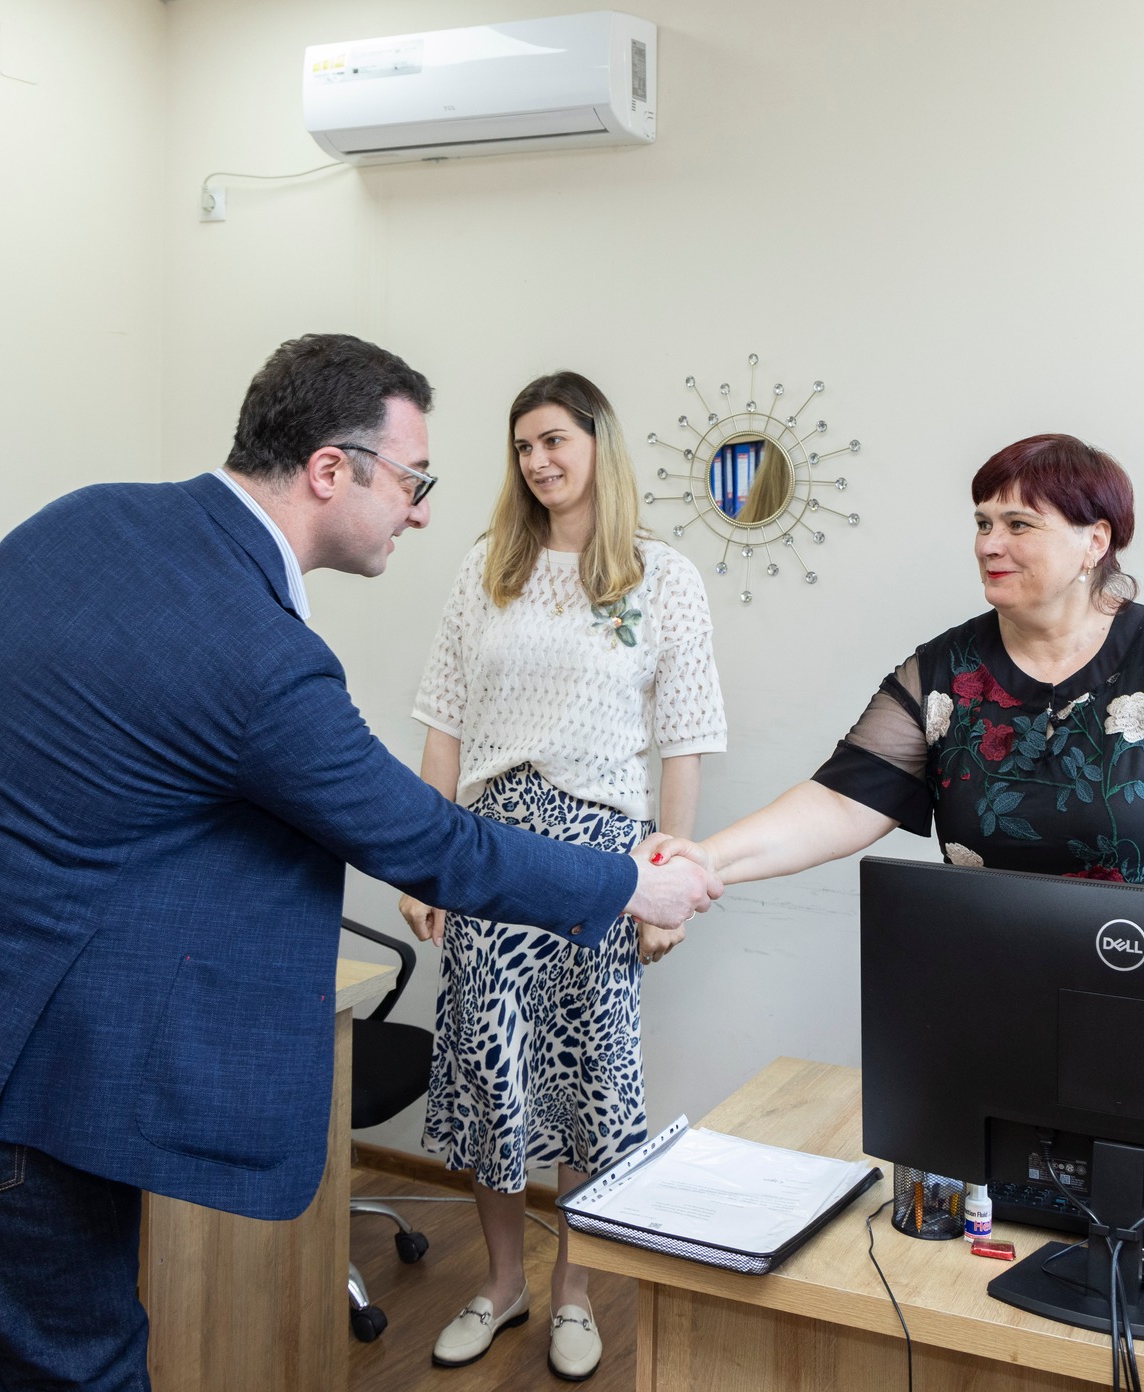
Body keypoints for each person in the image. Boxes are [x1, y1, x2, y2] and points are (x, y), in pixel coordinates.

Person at [0, 335, 719, 1392]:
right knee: (79, 1369)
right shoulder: (261, 657)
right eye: (413, 480)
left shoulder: (84, 519)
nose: (423, 511)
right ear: (330, 470)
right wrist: (632, 882)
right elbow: (428, 840)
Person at [398, 371, 726, 1381]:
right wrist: (423, 862)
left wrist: (670, 880)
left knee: (591, 1079)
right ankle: (503, 1285)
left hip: (603, 862)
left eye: (554, 441)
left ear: (596, 444)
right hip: (489, 850)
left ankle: (575, 1293)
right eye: (522, 447)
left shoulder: (661, 577)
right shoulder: (486, 568)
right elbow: (443, 726)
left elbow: (684, 742)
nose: (538, 462)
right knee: (493, 1073)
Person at [677, 432, 1144, 901]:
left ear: (1095, 541)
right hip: (997, 968)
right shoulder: (945, 671)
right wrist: (704, 859)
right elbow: (842, 803)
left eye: (1019, 524)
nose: (989, 544)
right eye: (983, 523)